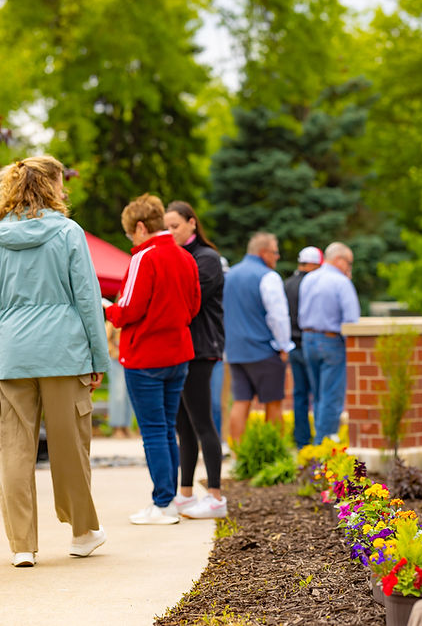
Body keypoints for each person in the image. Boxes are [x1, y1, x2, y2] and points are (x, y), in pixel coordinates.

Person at [0, 155, 110, 567]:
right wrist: (98, 357)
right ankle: (82, 533)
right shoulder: (69, 233)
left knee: (15, 452)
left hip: (14, 355)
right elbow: (87, 299)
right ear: (51, 187)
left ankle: (22, 546)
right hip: (64, 352)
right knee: (70, 447)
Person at [105, 194, 200, 525]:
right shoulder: (186, 258)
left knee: (154, 432)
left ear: (141, 227)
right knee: (167, 428)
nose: (131, 241)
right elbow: (193, 306)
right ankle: (169, 499)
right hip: (178, 354)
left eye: (131, 234)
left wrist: (108, 309)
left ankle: (162, 503)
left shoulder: (144, 258)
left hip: (145, 357)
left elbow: (128, 309)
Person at [163, 201, 227, 519]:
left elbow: (189, 301)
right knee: (183, 425)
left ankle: (215, 497)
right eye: (167, 227)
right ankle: (186, 494)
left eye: (175, 226)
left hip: (201, 349)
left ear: (192, 223)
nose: (170, 232)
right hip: (182, 349)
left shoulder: (207, 259)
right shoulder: (182, 257)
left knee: (202, 422)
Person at [222, 232, 294, 444]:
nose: (277, 256)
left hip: (236, 351)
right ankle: (273, 454)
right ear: (263, 253)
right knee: (273, 403)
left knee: (240, 402)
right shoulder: (268, 276)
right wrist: (283, 346)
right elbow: (278, 315)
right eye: (275, 252)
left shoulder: (230, 276)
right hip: (263, 350)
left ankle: (239, 454)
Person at [298, 242, 360, 444]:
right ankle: (323, 446)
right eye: (349, 262)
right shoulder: (341, 282)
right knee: (331, 396)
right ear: (340, 260)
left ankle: (317, 442)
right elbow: (351, 320)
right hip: (331, 341)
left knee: (317, 396)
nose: (350, 267)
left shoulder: (309, 278)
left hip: (308, 339)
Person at [284, 246, 323, 449]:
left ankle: (301, 441)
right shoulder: (313, 284)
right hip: (310, 344)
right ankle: (320, 441)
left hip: (292, 346)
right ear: (314, 264)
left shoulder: (287, 284)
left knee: (299, 394)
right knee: (317, 393)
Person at [105, 321, 134, 438]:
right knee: (118, 393)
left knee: (128, 394)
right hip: (116, 359)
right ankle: (117, 427)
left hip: (129, 358)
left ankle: (126, 426)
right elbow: (105, 339)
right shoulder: (111, 321)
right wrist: (114, 351)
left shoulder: (131, 316)